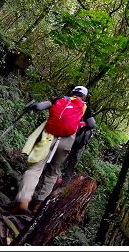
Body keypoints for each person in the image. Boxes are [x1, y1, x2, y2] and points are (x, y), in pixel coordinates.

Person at [12, 86, 95, 214]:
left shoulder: (59, 100)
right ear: (84, 96)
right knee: (53, 171)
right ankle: (38, 205)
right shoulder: (84, 107)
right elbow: (92, 124)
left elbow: (40, 107)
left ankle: (23, 202)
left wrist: (32, 106)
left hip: (48, 136)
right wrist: (78, 127)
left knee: (35, 168)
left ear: (72, 93)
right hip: (67, 140)